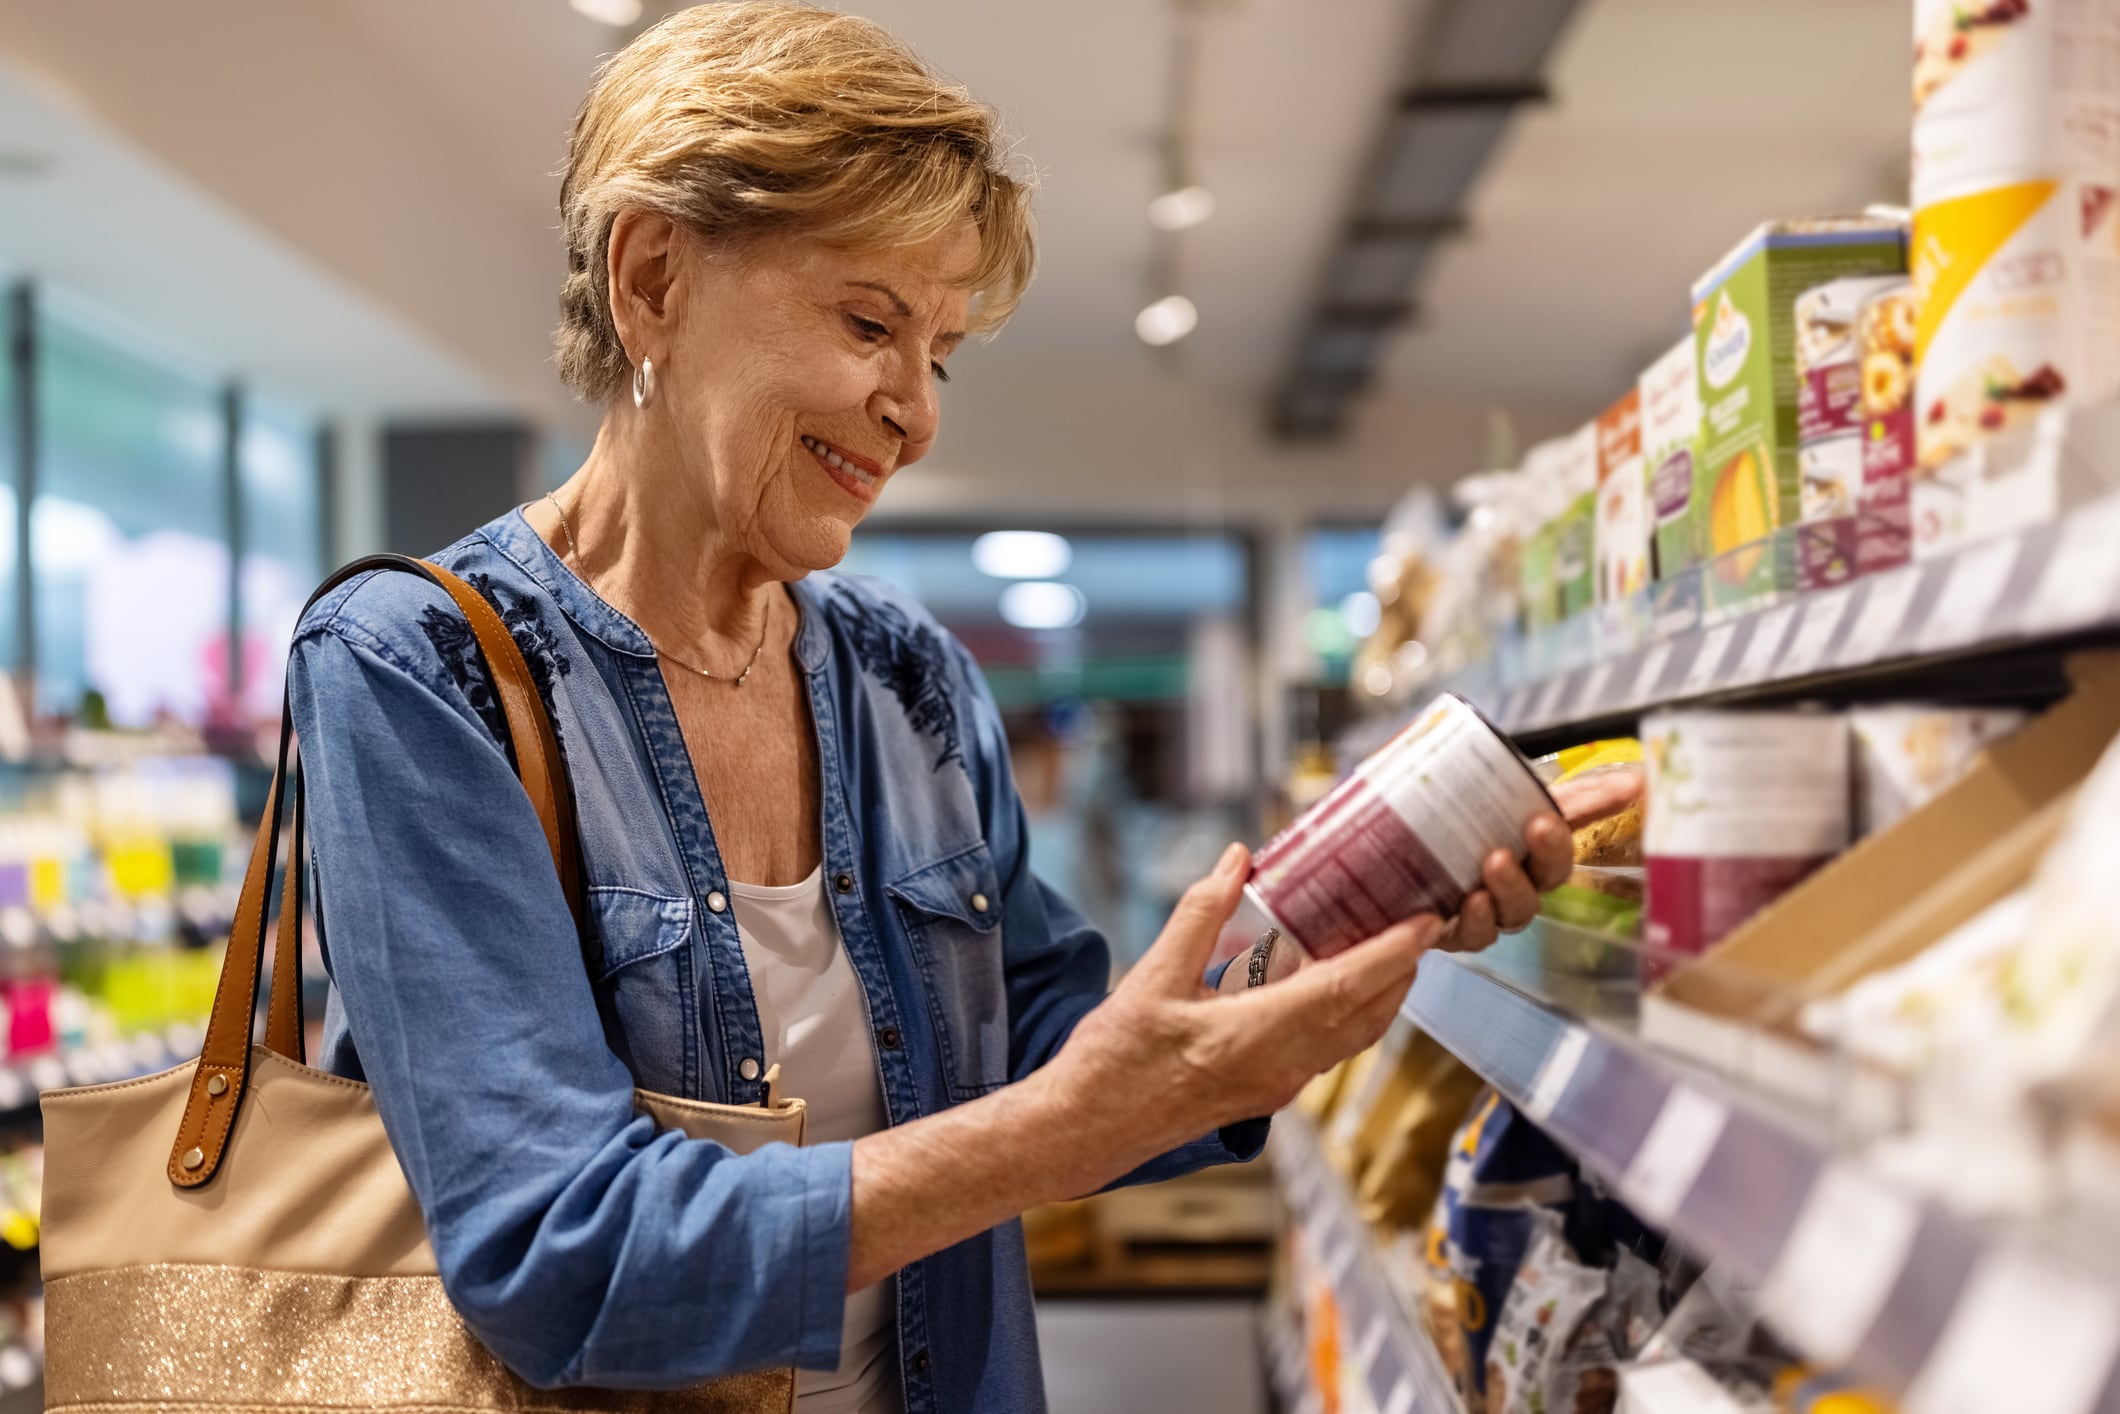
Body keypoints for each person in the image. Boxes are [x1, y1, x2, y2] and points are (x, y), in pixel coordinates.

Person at [288, 5, 1617, 1409]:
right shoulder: (415, 669)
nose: (915, 414)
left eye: (941, 354)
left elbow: (1058, 1052)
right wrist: (1055, 1128)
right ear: (653, 275)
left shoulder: (904, 681)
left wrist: (1357, 911)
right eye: (871, 322)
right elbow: (562, 1255)